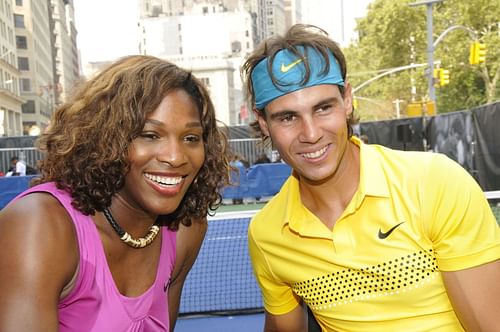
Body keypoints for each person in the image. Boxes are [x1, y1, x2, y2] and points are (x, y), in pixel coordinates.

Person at [241, 24, 500, 331]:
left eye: (323, 108)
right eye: (287, 117)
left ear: (347, 100)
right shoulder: (267, 234)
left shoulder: (435, 183)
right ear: (263, 123)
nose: (310, 134)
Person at [0, 55, 231, 331]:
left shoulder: (187, 230)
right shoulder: (38, 225)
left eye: (191, 138)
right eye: (150, 135)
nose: (175, 156)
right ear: (105, 138)